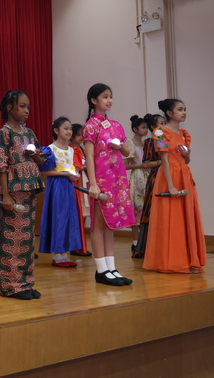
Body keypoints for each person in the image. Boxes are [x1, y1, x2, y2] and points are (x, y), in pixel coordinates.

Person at [143, 99, 206, 274]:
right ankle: (167, 262)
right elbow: (164, 160)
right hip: (169, 176)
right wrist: (170, 186)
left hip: (184, 175)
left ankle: (189, 259)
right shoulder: (160, 132)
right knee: (169, 218)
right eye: (180, 109)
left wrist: (187, 155)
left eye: (185, 109)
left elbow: (186, 160)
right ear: (169, 113)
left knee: (186, 217)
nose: (184, 112)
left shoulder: (184, 134)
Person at [0, 90, 45, 300]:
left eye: (28, 107)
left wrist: (35, 155)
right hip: (13, 192)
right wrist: (5, 195)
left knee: (27, 238)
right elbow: (1, 166)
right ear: (9, 107)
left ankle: (25, 282)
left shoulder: (29, 134)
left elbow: (41, 161)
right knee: (12, 239)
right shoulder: (3, 134)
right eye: (22, 106)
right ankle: (9, 285)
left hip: (29, 189)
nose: (26, 110)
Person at [82, 83, 136, 287]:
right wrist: (93, 184)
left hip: (117, 180)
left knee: (111, 225)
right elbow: (88, 157)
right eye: (105, 97)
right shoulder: (90, 126)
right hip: (101, 181)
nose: (109, 100)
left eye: (111, 96)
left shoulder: (116, 125)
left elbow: (126, 152)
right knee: (98, 224)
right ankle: (101, 269)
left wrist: (120, 146)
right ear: (94, 100)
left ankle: (111, 267)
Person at [38, 116, 83, 268]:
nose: (69, 131)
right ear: (56, 130)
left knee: (69, 218)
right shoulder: (50, 149)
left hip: (69, 187)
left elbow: (76, 168)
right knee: (58, 218)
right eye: (66, 128)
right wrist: (65, 174)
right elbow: (45, 172)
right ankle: (58, 255)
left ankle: (64, 253)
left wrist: (74, 174)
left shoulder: (73, 150)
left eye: (70, 129)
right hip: (56, 186)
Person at [133, 113, 165, 258]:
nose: (164, 126)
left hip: (165, 176)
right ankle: (148, 246)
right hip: (154, 178)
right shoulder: (152, 141)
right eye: (161, 123)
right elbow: (146, 163)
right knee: (151, 212)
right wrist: (162, 162)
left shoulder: (166, 139)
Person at [123, 115, 149, 255]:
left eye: (146, 128)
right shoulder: (130, 143)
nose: (146, 130)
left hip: (148, 176)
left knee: (146, 209)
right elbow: (125, 165)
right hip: (137, 177)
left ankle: (145, 242)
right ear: (135, 129)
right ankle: (135, 242)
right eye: (143, 127)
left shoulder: (146, 143)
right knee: (136, 209)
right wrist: (142, 165)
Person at [69, 123, 92, 257]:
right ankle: (76, 245)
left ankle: (81, 244)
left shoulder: (83, 150)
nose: (81, 137)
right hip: (76, 181)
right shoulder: (70, 149)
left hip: (85, 182)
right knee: (77, 213)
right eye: (78, 135)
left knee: (83, 214)